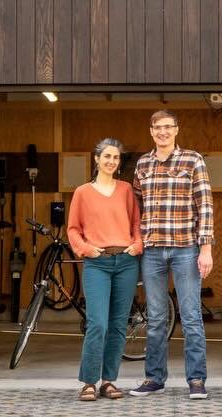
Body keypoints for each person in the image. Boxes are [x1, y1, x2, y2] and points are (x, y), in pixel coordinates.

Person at [129, 109, 214, 399]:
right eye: (157, 128)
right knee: (155, 319)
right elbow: (136, 209)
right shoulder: (142, 164)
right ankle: (154, 378)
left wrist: (206, 249)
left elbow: (205, 205)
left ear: (177, 129)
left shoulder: (193, 160)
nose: (162, 132)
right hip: (152, 251)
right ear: (151, 131)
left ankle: (197, 380)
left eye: (168, 127)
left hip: (186, 250)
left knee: (191, 317)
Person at [66, 138, 142, 402]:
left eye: (116, 157)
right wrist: (86, 249)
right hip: (97, 262)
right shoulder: (82, 193)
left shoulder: (126, 190)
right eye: (107, 156)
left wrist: (137, 244)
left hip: (126, 262)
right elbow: (73, 229)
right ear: (96, 159)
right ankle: (88, 381)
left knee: (119, 324)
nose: (111, 161)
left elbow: (136, 223)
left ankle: (109, 381)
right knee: (97, 323)